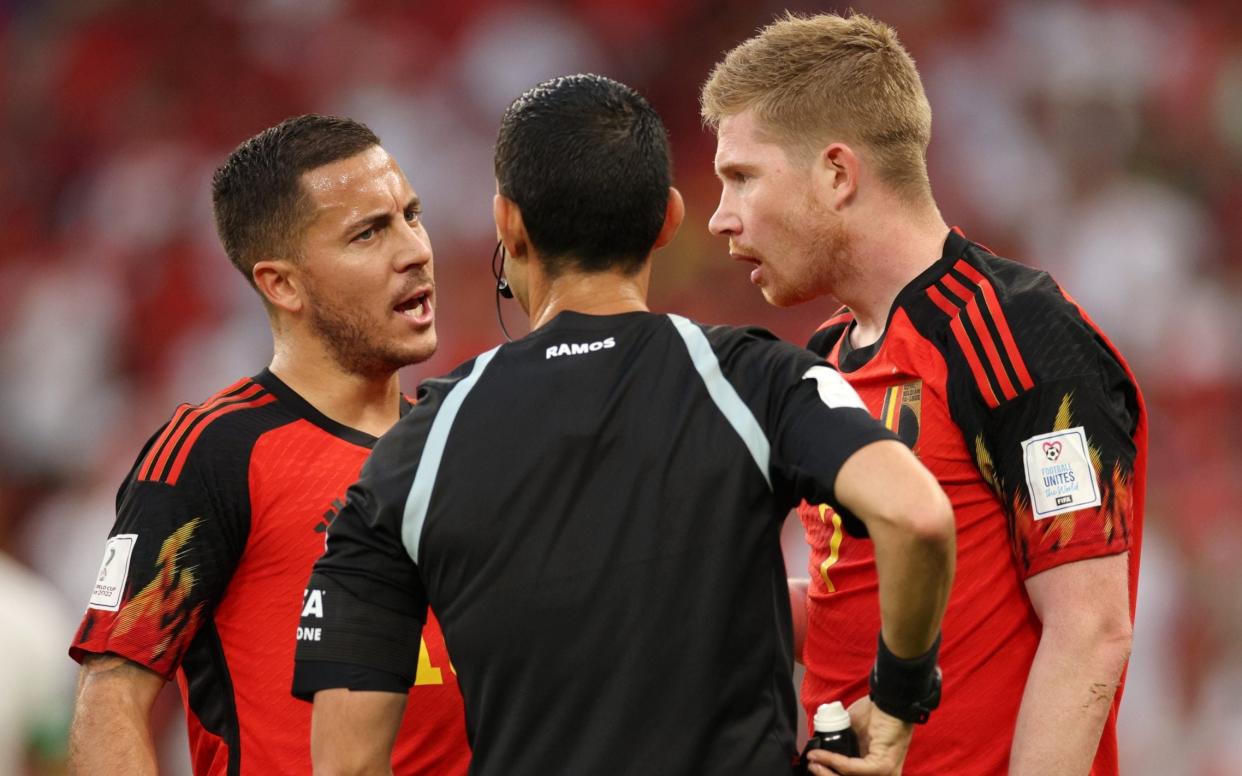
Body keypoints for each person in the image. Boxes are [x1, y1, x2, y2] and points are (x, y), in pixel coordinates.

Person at [291, 74, 955, 776]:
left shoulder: (413, 452)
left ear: (508, 223)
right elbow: (918, 517)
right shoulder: (755, 380)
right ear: (668, 220)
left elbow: (347, 766)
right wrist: (899, 696)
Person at [702, 12, 1147, 776]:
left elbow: (1091, 628)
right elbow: (857, 594)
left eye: (742, 177)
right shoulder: (826, 359)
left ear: (837, 173)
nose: (721, 216)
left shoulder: (1015, 331)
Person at [67, 115, 470, 775]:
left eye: (411, 215)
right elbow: (111, 695)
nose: (414, 250)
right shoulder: (213, 452)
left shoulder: (466, 428)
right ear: (282, 284)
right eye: (368, 233)